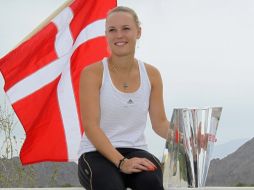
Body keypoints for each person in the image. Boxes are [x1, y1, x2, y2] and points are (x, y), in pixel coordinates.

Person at [78, 6, 171, 190]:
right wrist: (122, 162)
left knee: (151, 183)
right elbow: (91, 127)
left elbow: (160, 123)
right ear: (106, 35)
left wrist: (189, 138)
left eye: (126, 28)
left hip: (136, 151)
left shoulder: (152, 74)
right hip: (96, 153)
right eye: (112, 30)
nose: (119, 35)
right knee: (111, 186)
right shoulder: (93, 73)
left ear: (138, 32)